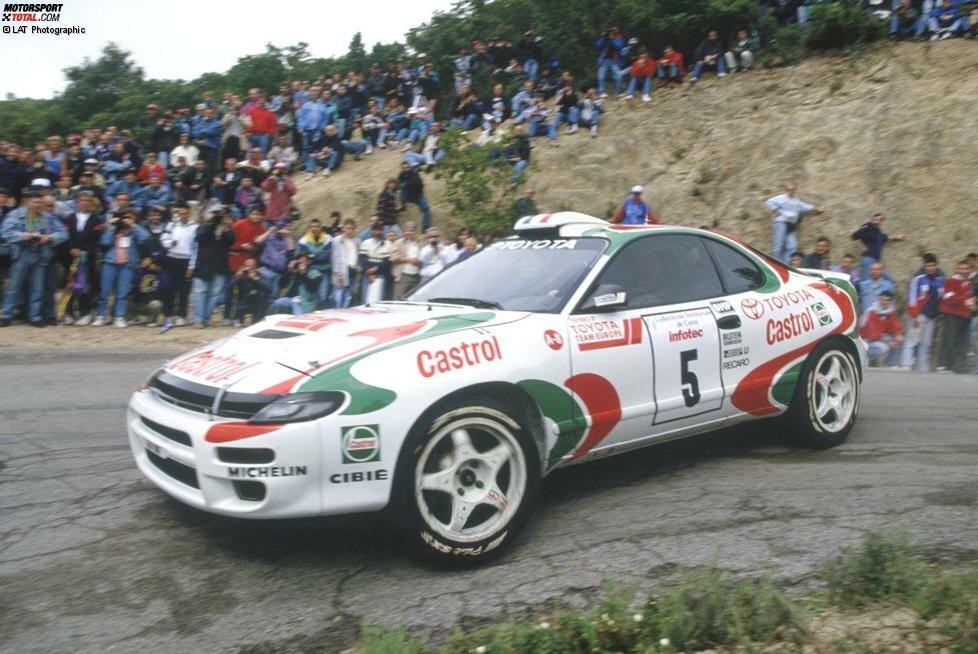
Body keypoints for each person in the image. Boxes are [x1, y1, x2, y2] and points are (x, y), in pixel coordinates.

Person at [0, 189, 68, 327]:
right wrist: (22, 236)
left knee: (37, 288)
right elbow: (4, 233)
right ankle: (6, 315)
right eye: (36, 202)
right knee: (14, 286)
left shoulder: (48, 217)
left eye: (41, 202)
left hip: (41, 254)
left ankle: (35, 317)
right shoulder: (15, 215)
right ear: (28, 202)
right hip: (22, 253)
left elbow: (64, 234)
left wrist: (50, 237)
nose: (39, 205)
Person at [94, 209, 148, 327]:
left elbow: (145, 237)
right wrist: (112, 226)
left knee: (122, 292)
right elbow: (104, 242)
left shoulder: (134, 231)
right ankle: (101, 315)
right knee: (105, 291)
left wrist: (133, 225)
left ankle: (119, 316)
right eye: (124, 217)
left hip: (127, 265)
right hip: (110, 263)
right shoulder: (113, 230)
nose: (125, 220)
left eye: (129, 217)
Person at [61, 191, 104, 325]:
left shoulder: (96, 220)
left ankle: (84, 313)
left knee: (86, 285)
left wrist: (84, 251)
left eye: (88, 200)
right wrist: (71, 249)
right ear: (77, 202)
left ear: (92, 203)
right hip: (70, 257)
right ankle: (67, 313)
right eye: (82, 200)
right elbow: (65, 235)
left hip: (88, 258)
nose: (85, 203)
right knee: (70, 284)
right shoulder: (69, 218)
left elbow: (96, 239)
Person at [158, 202, 198, 333]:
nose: (183, 215)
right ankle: (169, 314)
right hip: (172, 258)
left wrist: (191, 265)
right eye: (180, 213)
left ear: (189, 213)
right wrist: (170, 243)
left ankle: (181, 315)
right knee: (169, 287)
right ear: (177, 214)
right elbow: (163, 238)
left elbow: (195, 248)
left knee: (184, 289)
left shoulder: (195, 227)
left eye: (185, 213)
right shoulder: (172, 224)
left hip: (185, 260)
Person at [191, 209, 235, 328]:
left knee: (214, 294)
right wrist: (209, 222)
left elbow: (231, 240)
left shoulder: (226, 228)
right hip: (204, 265)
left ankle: (207, 318)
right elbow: (200, 237)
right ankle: (198, 319)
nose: (217, 218)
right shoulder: (203, 226)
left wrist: (226, 226)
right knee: (200, 292)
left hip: (219, 266)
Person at [901, 253, 945, 372]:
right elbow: (912, 298)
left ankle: (923, 369)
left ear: (936, 266)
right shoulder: (918, 280)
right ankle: (906, 366)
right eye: (927, 266)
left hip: (931, 317)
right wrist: (914, 315)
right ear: (924, 267)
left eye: (932, 265)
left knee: (926, 344)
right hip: (918, 315)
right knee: (911, 341)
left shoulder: (940, 281)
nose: (930, 268)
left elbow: (941, 298)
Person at [765, 183, 823, 263]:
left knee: (792, 247)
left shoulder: (797, 201)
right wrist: (776, 210)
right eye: (789, 190)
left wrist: (816, 209)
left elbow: (806, 206)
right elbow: (769, 202)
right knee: (778, 245)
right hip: (781, 222)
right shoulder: (781, 198)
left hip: (791, 225)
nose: (790, 191)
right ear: (786, 190)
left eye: (792, 190)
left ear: (795, 190)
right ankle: (775, 262)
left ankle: (785, 263)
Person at [938, 259, 976, 373]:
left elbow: (972, 298)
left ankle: (958, 367)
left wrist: (974, 302)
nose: (963, 271)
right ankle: (944, 365)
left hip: (966, 315)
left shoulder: (970, 283)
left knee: (962, 342)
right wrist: (965, 301)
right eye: (960, 268)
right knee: (949, 340)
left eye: (965, 269)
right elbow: (948, 297)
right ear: (957, 269)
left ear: (970, 270)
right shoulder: (951, 281)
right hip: (952, 314)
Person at [851, 212, 904, 279]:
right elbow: (854, 236)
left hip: (876, 261)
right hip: (868, 259)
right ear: (872, 220)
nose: (877, 221)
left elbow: (885, 237)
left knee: (888, 278)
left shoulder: (878, 232)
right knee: (866, 281)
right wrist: (861, 246)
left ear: (882, 221)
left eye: (880, 220)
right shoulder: (869, 226)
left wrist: (897, 237)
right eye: (876, 219)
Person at [860, 290, 904, 367]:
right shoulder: (871, 312)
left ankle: (890, 364)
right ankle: (864, 358)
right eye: (882, 300)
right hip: (866, 340)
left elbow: (896, 325)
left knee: (898, 341)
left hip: (880, 337)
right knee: (883, 348)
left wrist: (898, 335)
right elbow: (872, 334)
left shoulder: (891, 312)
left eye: (887, 300)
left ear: (890, 301)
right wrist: (889, 343)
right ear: (879, 300)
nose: (884, 302)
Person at [297, 218, 332, 308]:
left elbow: (326, 256)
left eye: (317, 226)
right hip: (310, 272)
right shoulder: (303, 241)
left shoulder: (328, 239)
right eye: (312, 226)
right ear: (309, 228)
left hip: (324, 271)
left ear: (321, 227)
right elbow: (301, 256)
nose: (314, 228)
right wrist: (317, 255)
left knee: (322, 296)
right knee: (310, 296)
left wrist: (311, 256)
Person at [359, 222, 393, 303]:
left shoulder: (388, 244)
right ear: (372, 231)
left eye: (379, 230)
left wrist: (376, 268)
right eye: (375, 230)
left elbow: (388, 262)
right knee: (365, 299)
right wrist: (369, 272)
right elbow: (363, 259)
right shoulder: (365, 243)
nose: (377, 232)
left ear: (382, 231)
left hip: (381, 275)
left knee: (378, 300)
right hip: (367, 275)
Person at [330, 218, 361, 308]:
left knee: (348, 295)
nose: (350, 230)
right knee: (338, 296)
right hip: (342, 270)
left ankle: (345, 312)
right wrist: (338, 274)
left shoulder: (357, 241)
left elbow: (358, 256)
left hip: (353, 270)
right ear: (343, 228)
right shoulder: (337, 240)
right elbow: (335, 258)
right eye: (348, 228)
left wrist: (358, 269)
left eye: (352, 228)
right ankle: (337, 313)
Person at [391, 221, 422, 299]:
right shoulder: (398, 243)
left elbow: (422, 259)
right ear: (404, 231)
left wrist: (418, 262)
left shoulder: (419, 243)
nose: (409, 233)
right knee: (398, 300)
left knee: (412, 301)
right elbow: (394, 258)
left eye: (412, 231)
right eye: (407, 230)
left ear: (415, 232)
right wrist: (409, 260)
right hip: (403, 276)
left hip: (416, 277)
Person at [398, 161, 432, 230]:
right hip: (407, 196)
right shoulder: (401, 175)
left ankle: (425, 227)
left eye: (407, 167)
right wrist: (408, 184)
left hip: (417, 195)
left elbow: (419, 184)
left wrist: (408, 183)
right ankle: (403, 205)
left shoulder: (414, 173)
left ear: (409, 167)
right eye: (404, 168)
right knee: (403, 186)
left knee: (426, 208)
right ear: (401, 169)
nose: (406, 169)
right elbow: (399, 185)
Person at [595, 27, 625, 98]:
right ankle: (601, 92)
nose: (610, 35)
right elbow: (597, 45)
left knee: (618, 76)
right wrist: (603, 37)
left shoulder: (617, 39)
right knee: (601, 77)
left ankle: (618, 92)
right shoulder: (605, 40)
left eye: (612, 34)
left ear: (614, 34)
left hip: (614, 61)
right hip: (604, 61)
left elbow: (619, 46)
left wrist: (612, 40)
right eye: (609, 34)